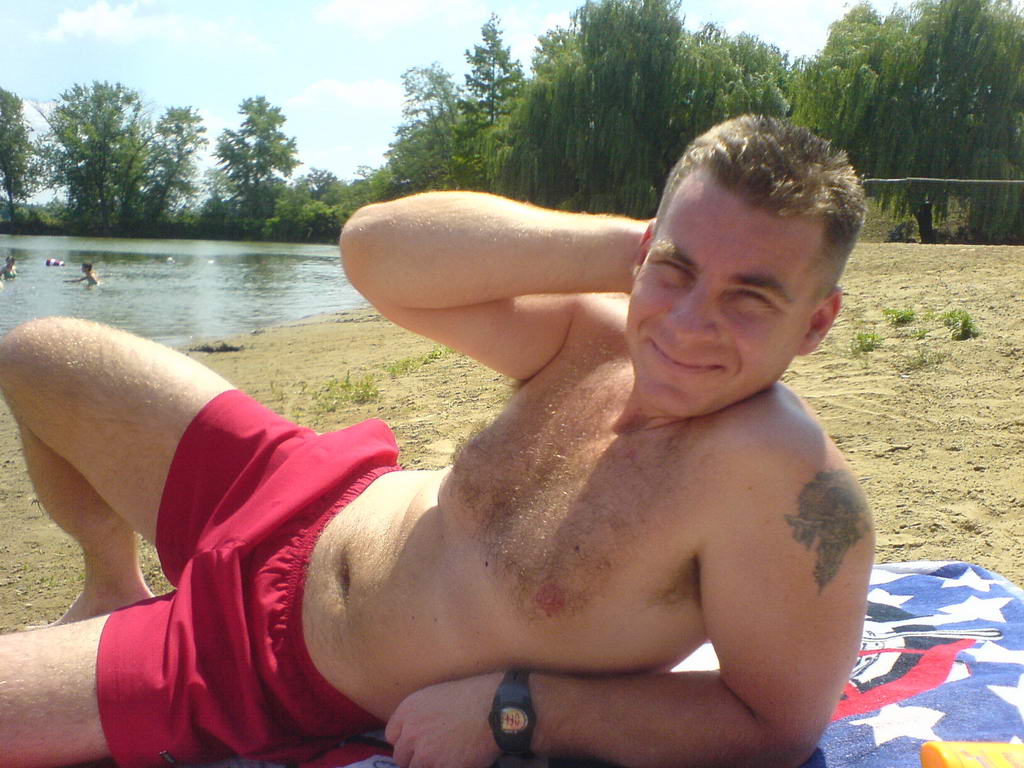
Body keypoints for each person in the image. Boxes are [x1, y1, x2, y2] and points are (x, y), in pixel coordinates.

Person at [0, 115, 874, 768]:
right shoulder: (599, 336)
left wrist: (521, 712)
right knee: (36, 356)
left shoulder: (783, 485)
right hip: (294, 486)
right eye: (678, 270)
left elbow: (775, 724)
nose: (686, 325)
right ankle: (112, 586)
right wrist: (636, 251)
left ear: (816, 322)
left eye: (749, 296)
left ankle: (125, 633)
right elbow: (375, 254)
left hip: (257, 667)